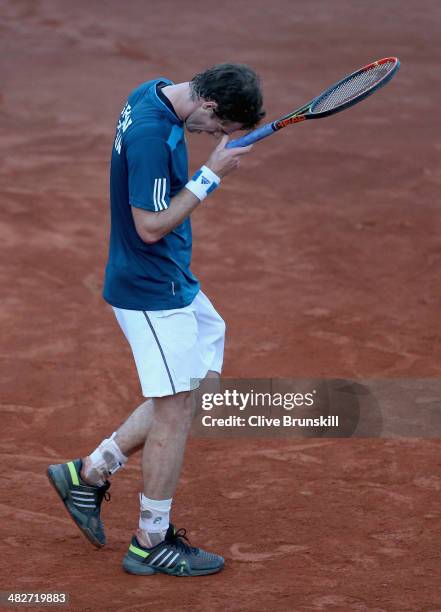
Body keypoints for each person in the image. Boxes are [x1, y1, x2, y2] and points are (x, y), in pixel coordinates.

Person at [47, 63, 265, 577]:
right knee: (174, 408)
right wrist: (211, 174)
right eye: (219, 127)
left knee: (200, 386)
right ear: (209, 106)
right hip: (150, 289)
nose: (214, 136)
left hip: (174, 279)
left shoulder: (156, 91)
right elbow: (148, 226)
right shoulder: (150, 134)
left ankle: (90, 471)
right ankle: (150, 539)